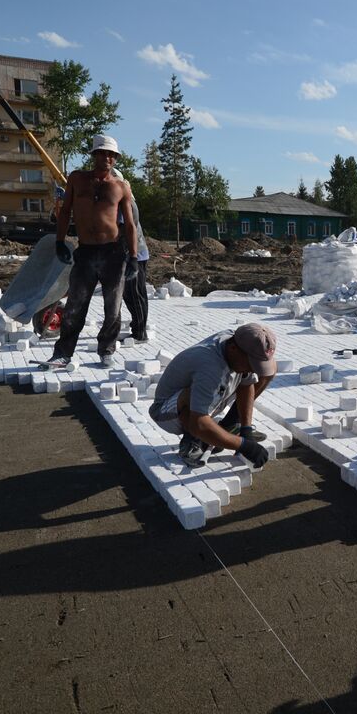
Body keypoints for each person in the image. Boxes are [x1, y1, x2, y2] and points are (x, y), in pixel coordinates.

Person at [44, 133, 137, 370]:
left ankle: (106, 350)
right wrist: (60, 241)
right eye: (103, 153)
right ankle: (63, 353)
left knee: (112, 307)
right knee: (76, 304)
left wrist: (134, 257)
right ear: (94, 155)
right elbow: (65, 212)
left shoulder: (120, 186)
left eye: (111, 155)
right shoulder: (76, 179)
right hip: (85, 252)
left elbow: (129, 223)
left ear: (115, 159)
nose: (107, 158)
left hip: (113, 254)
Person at [148, 324, 278, 471]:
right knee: (192, 399)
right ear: (233, 349)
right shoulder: (210, 367)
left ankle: (229, 425)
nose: (251, 369)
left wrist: (245, 431)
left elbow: (247, 381)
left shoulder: (236, 342)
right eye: (250, 363)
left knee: (267, 371)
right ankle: (192, 440)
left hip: (207, 398)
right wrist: (243, 445)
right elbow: (199, 423)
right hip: (167, 411)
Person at [119, 176, 151, 342]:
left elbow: (124, 229)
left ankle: (140, 332)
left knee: (134, 294)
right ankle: (139, 328)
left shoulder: (126, 204)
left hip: (135, 255)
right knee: (135, 293)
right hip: (137, 253)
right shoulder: (126, 201)